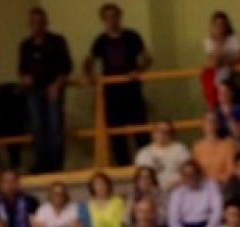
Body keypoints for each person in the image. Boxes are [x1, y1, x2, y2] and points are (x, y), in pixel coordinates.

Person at [85, 3, 152, 166]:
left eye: (114, 16)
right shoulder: (100, 41)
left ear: (120, 17)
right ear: (103, 20)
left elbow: (147, 58)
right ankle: (124, 165)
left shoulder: (132, 36)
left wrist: (139, 70)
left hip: (132, 90)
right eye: (108, 17)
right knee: (116, 134)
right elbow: (88, 61)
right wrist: (90, 76)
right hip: (111, 93)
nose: (112, 20)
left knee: (140, 129)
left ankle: (147, 164)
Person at [19, 7, 74, 173]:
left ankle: (56, 165)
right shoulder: (26, 45)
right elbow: (22, 69)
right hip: (34, 91)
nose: (37, 25)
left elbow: (66, 66)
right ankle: (41, 164)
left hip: (53, 88)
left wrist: (57, 85)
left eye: (40, 22)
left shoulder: (57, 41)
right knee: (37, 127)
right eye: (33, 22)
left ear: (46, 23)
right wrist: (25, 77)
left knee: (54, 127)